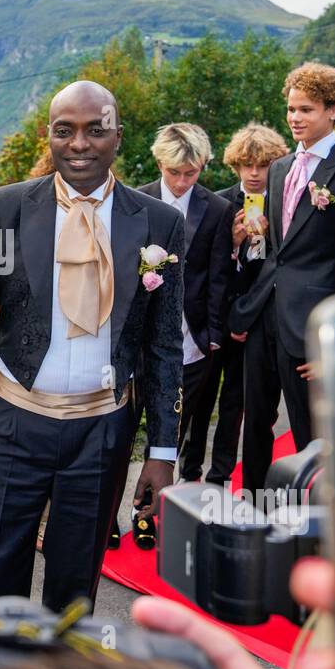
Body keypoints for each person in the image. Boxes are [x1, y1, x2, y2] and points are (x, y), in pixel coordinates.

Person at [0, 80, 186, 614]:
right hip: (14, 422)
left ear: (118, 136)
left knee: (72, 596)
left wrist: (162, 452)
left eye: (96, 130)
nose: (79, 144)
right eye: (64, 131)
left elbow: (163, 348)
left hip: (102, 429)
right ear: (49, 136)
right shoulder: (6, 210)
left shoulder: (159, 223)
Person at [229, 63, 335, 472]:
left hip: (313, 326)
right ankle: (252, 509)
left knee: (310, 432)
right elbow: (277, 252)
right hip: (265, 316)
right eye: (291, 109)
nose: (295, 118)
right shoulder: (278, 169)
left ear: (333, 111)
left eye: (306, 110)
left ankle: (313, 520)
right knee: (256, 423)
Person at [194, 124, 290, 487]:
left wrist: (264, 242)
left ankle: (226, 476)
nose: (253, 173)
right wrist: (234, 247)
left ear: (275, 166)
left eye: (262, 165)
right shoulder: (220, 203)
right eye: (246, 165)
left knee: (243, 402)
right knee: (204, 403)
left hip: (265, 319)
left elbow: (282, 267)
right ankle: (195, 472)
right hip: (222, 318)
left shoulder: (285, 205)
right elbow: (209, 272)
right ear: (235, 165)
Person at [139, 123, 234, 483]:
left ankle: (151, 507)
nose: (181, 182)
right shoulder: (136, 201)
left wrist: (211, 334)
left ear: (203, 166)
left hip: (191, 340)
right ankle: (111, 511)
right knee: (125, 426)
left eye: (190, 173)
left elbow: (218, 277)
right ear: (159, 164)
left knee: (173, 428)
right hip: (140, 338)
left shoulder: (218, 209)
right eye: (173, 172)